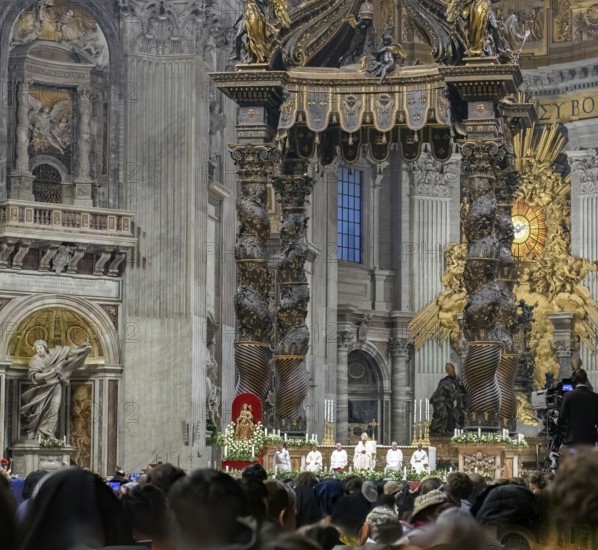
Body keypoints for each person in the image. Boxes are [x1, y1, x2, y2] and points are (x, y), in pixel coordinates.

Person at [21, 339, 91, 438]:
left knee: (54, 408)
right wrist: (51, 373)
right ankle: (38, 433)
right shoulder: (34, 360)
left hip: (56, 386)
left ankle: (49, 434)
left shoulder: (54, 353)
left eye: (40, 347)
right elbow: (36, 376)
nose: (39, 350)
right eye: (37, 349)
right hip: (42, 388)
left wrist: (83, 350)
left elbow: (68, 352)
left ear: (44, 347)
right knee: (39, 411)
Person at [558, 367, 598, 448]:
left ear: (573, 380)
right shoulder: (595, 397)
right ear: (586, 380)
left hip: (572, 440)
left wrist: (556, 421)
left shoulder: (568, 396)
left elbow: (562, 418)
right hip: (590, 441)